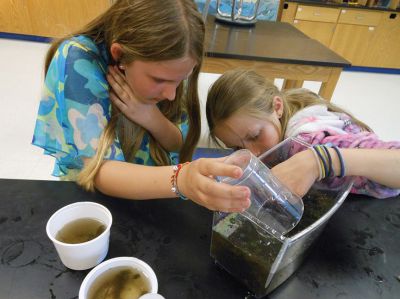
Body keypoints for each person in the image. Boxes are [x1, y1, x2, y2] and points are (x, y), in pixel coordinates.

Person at [32, 0, 251, 213]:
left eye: (181, 79)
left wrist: (150, 117)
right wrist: (181, 179)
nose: (171, 94)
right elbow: (100, 170)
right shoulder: (77, 59)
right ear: (120, 55)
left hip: (153, 195)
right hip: (96, 203)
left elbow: (177, 142)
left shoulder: (172, 63)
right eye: (159, 80)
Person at [206, 69, 400, 199]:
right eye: (238, 147)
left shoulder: (307, 140)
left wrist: (320, 160)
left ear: (277, 107)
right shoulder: (285, 107)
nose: (253, 153)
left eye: (255, 136)